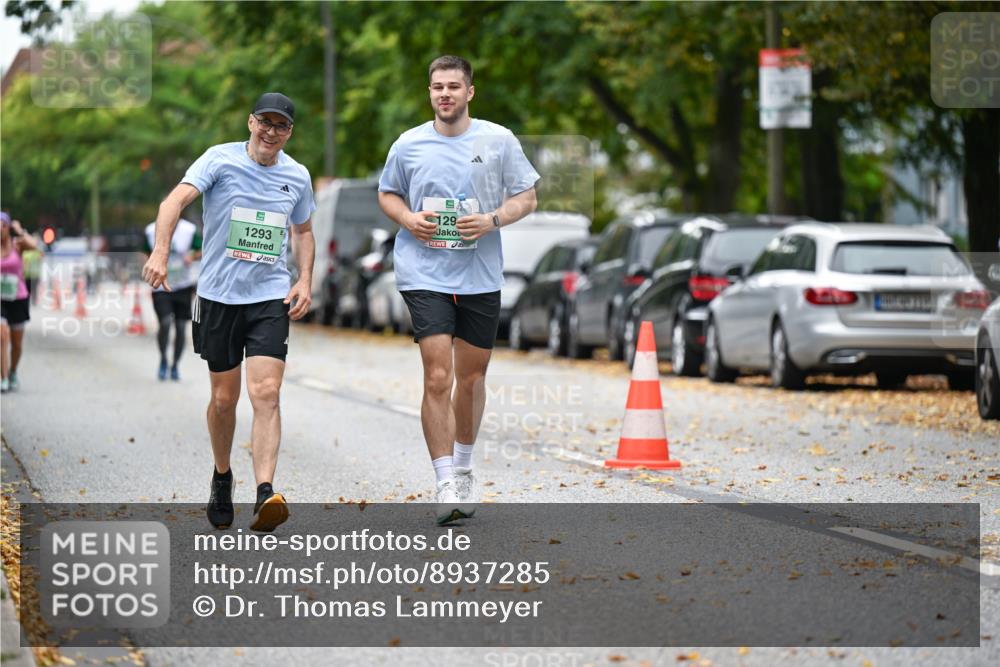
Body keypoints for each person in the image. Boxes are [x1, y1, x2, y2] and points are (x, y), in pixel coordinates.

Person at [142, 92, 316, 532]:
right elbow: (172, 204)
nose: (270, 132)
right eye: (265, 122)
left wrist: (304, 279)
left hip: (269, 298)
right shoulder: (218, 160)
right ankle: (222, 477)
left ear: (289, 133)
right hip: (218, 297)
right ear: (250, 121)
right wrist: (161, 253)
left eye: (280, 126)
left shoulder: (296, 176)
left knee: (267, 393)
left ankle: (264, 492)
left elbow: (305, 229)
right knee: (224, 399)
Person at [377, 56, 539, 524]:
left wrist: (490, 220)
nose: (444, 94)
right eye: (436, 87)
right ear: (429, 93)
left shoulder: (498, 140)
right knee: (437, 376)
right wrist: (407, 218)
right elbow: (388, 193)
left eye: (453, 86)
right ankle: (445, 478)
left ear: (470, 92)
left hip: (479, 275)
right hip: (423, 272)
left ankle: (464, 467)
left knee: (470, 378)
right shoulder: (408, 145)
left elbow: (527, 196)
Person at [142, 218, 202, 380]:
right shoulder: (151, 229)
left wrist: (192, 255)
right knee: (165, 322)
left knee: (181, 327)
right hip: (160, 286)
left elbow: (200, 249)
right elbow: (144, 252)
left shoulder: (189, 229)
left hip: (183, 285)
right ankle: (163, 358)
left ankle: (175, 364)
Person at [1, 213, 39, 392]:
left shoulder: (18, 245)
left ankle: (13, 371)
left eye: (3, 225)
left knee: (16, 344)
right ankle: (3, 377)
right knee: (2, 335)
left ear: (8, 228)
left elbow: (34, 245)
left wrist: (20, 230)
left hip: (18, 297)